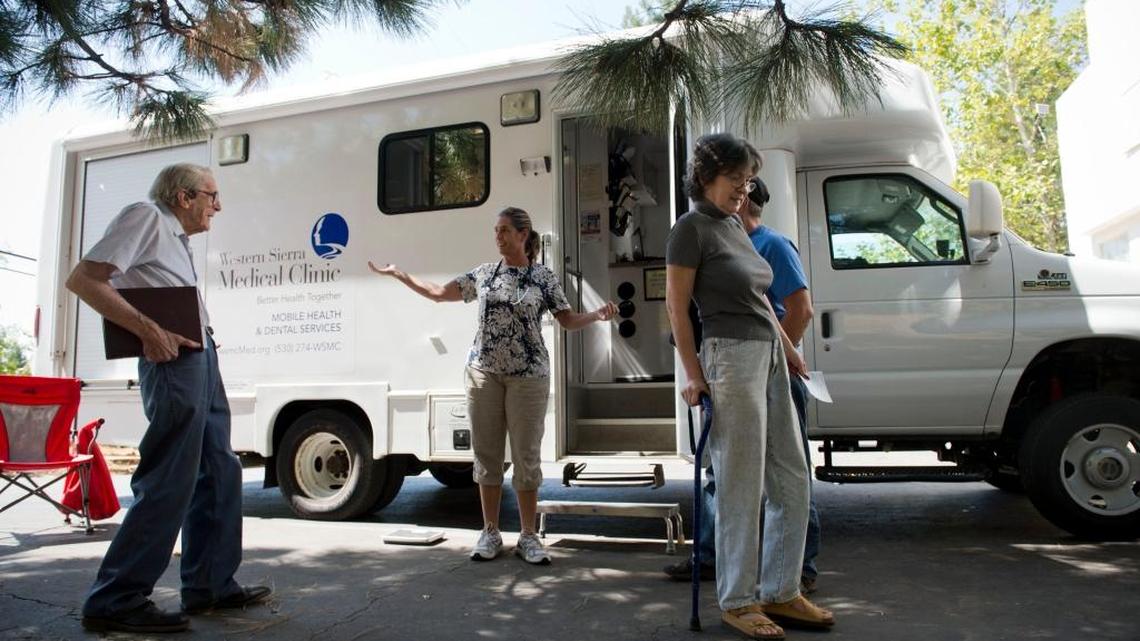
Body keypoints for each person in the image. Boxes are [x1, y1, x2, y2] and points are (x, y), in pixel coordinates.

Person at [67, 164, 271, 634]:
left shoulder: (174, 237)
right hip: (173, 360)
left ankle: (210, 585)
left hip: (201, 354)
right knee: (169, 476)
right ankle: (115, 599)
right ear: (183, 196)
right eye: (211, 196)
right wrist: (149, 331)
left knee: (220, 467)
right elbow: (85, 280)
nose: (217, 207)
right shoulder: (145, 216)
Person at [368, 206, 616, 565]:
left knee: (526, 456)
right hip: (483, 374)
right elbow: (439, 292)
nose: (497, 236)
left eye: (503, 230)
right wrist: (401, 275)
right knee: (487, 455)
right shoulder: (484, 274)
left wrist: (595, 315)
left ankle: (529, 536)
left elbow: (566, 319)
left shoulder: (543, 278)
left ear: (522, 234)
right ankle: (490, 532)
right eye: (495, 230)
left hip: (529, 376)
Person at [665, 134, 833, 639]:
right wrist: (694, 374)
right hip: (729, 358)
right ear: (706, 177)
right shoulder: (690, 229)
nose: (744, 187)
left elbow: (759, 297)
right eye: (735, 178)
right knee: (739, 483)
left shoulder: (735, 226)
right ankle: (738, 600)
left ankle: (781, 591)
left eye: (748, 179)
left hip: (769, 358)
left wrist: (788, 346)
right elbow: (677, 306)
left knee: (792, 477)